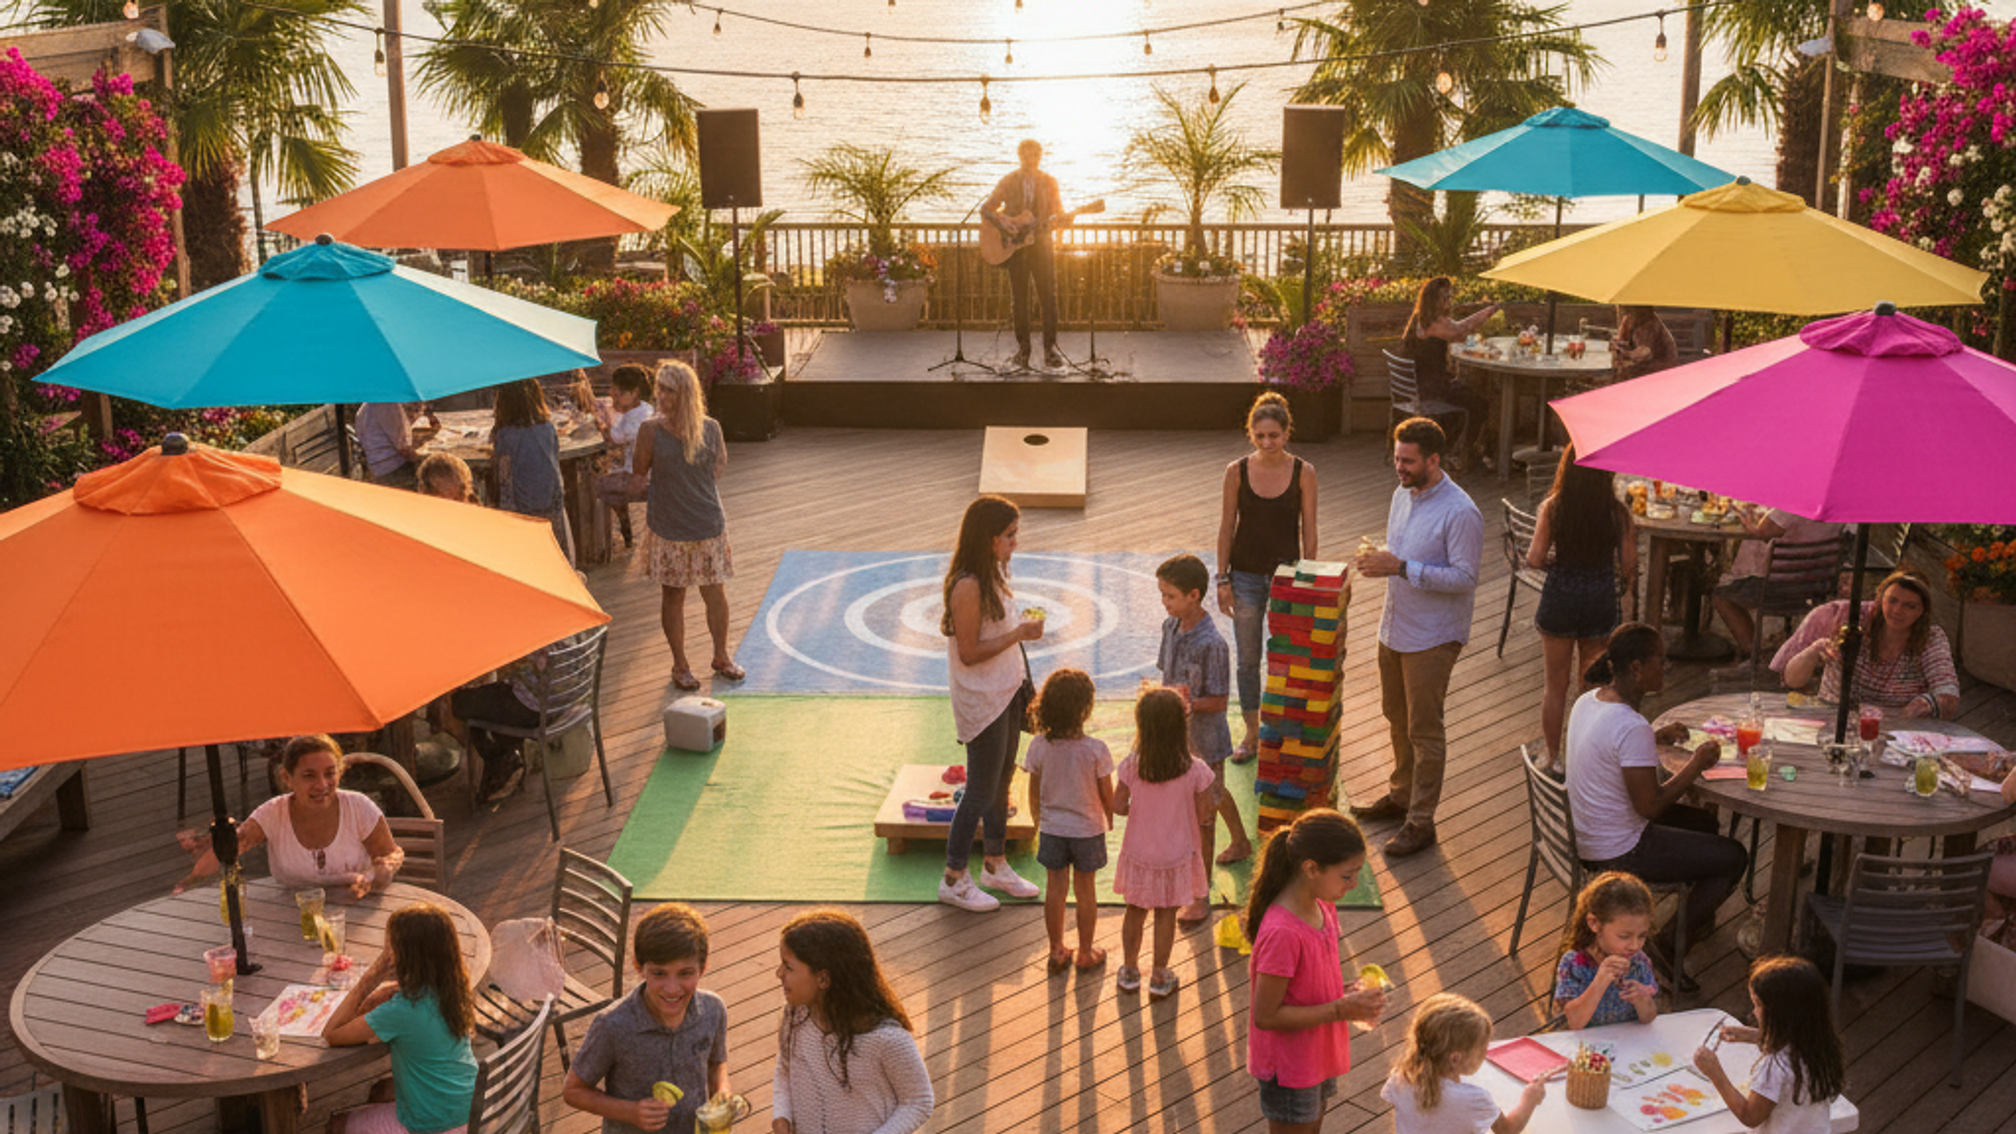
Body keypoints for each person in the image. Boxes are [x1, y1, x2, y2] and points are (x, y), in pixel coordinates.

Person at [1566, 622, 1747, 982]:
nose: (1666, 668)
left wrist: (1653, 735)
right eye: (1660, 661)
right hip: (1618, 850)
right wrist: (1696, 764)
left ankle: (1697, 915)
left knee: (1705, 825)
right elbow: (1650, 807)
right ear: (1636, 668)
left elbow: (1616, 742)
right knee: (1734, 857)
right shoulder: (1631, 727)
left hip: (1587, 831)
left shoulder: (1590, 700)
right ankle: (1668, 945)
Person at [1351, 417, 1484, 858]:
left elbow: (1465, 578)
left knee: (1425, 731)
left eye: (1408, 461)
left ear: (1434, 460)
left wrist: (1401, 568)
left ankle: (1421, 821)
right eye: (1397, 459)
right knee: (1395, 715)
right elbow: (1399, 554)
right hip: (1394, 627)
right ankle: (1401, 795)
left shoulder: (1461, 512)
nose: (1400, 468)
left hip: (1432, 636)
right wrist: (1381, 563)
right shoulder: (1400, 494)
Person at [1243, 809, 1386, 1134]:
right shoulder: (1283, 932)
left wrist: (1350, 994)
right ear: (1311, 868)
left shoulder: (1323, 906)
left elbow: (1312, 979)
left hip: (1315, 1051)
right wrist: (1339, 1009)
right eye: (1348, 875)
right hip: (1290, 1064)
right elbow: (1265, 1016)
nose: (1355, 884)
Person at [937, 495, 1045, 913]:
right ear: (988, 539)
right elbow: (968, 651)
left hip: (1007, 690)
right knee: (980, 790)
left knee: (1002, 782)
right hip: (982, 698)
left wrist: (1019, 634)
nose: (1015, 543)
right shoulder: (968, 584)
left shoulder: (995, 573)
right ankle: (952, 877)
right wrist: (1017, 633)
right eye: (1009, 535)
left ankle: (995, 864)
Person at [1217, 391, 1320, 764]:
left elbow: (1310, 531)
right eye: (1260, 436)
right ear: (1251, 435)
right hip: (1243, 577)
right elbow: (1226, 527)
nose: (1267, 442)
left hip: (1287, 578)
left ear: (1286, 433)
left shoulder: (1304, 472)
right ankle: (1251, 733)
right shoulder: (1236, 471)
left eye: (1274, 435)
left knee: (1285, 660)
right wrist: (1222, 579)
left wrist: (1308, 580)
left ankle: (1280, 731)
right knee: (1247, 660)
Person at [565, 903, 728, 1134]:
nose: (672, 989)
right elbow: (573, 1091)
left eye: (685, 973)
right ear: (639, 967)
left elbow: (716, 1062)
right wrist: (630, 1112)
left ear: (703, 967)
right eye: (659, 973)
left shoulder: (714, 1010)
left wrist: (721, 1093)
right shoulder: (612, 1025)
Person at [175, 734, 402, 898]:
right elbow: (230, 849)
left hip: (356, 908)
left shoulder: (359, 807)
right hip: (290, 915)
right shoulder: (273, 814)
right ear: (287, 778)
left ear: (340, 772)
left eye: (330, 773)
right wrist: (190, 882)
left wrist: (380, 872)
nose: (322, 785)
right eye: (309, 776)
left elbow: (391, 854)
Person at [632, 361, 741, 693]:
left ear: (686, 393)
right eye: (659, 388)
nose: (661, 395)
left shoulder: (711, 428)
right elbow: (639, 472)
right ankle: (680, 665)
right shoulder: (650, 430)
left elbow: (718, 466)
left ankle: (721, 657)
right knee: (673, 596)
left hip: (707, 522)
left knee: (715, 593)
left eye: (669, 390)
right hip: (668, 526)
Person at [772, 910, 933, 1134]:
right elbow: (785, 1068)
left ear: (823, 979)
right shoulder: (795, 1016)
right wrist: (781, 1116)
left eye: (788, 967)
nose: (779, 973)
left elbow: (918, 1101)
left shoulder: (887, 1039)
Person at [323, 903, 479, 1134]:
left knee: (337, 1124)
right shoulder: (453, 986)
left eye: (389, 948)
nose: (386, 954)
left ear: (406, 955)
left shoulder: (403, 1010)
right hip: (470, 1107)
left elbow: (332, 1034)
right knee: (379, 1091)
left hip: (434, 1126)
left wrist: (371, 977)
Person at [1526, 444, 1636, 770]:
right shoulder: (1617, 513)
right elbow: (1629, 564)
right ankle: (1585, 757)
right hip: (1599, 598)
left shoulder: (1553, 507)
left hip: (1561, 596)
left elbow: (1533, 557)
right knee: (1592, 688)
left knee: (1554, 685)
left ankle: (1552, 756)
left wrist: (1556, 563)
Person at [1156, 552, 1253, 917]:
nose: (1164, 602)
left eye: (1170, 596)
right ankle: (1241, 841)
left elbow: (1218, 700)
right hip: (1176, 735)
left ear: (1194, 595)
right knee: (1211, 793)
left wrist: (1184, 702)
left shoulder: (1213, 644)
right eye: (1162, 594)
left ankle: (1200, 894)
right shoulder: (1170, 627)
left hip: (1206, 739)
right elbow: (1165, 673)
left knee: (1204, 815)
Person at [1113, 687, 1218, 1000]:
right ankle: (1159, 975)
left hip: (1139, 852)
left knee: (1134, 909)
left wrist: (1139, 812)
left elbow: (1118, 805)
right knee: (1165, 913)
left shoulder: (1132, 765)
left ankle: (1130, 971)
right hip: (1175, 854)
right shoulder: (1194, 769)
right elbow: (1204, 814)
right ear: (1180, 725)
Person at [1022, 667, 1115, 974]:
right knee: (1086, 890)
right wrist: (1110, 817)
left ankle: (1056, 950)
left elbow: (1033, 792)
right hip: (1087, 830)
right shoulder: (1096, 750)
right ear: (1085, 709)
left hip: (1053, 829)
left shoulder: (1038, 746)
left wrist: (1039, 821)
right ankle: (1086, 952)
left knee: (1055, 889)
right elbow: (1106, 794)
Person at [1772, 569, 1959, 719]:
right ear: (1879, 601)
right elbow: (1792, 680)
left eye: (1910, 606)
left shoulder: (1930, 637)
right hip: (1834, 720)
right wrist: (1816, 650)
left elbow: (1948, 695)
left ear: (1922, 612)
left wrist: (1923, 704)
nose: (1897, 610)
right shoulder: (1851, 622)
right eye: (1892, 601)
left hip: (1896, 728)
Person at [1693, 957, 1847, 1134]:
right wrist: (1757, 1036)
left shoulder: (1776, 1066)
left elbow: (1750, 1115)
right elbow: (1793, 1043)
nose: (1753, 1012)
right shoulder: (1819, 1045)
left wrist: (1715, 1073)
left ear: (1780, 1014)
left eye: (1758, 1004)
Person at [1382, 993, 1546, 1134]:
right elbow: (1508, 1130)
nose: (1486, 1051)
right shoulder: (1473, 1099)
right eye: (1482, 1048)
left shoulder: (1401, 1076)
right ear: (1455, 1059)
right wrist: (1529, 1099)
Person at [980, 139, 1075, 371]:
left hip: (1042, 246)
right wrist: (1005, 227)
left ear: (1040, 156)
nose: (1030, 159)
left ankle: (1050, 349)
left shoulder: (1049, 182)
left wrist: (1065, 219)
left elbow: (1058, 211)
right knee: (1019, 300)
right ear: (1019, 155)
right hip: (1015, 248)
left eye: (1034, 155)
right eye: (1026, 155)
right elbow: (986, 209)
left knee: (1048, 298)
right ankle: (1023, 350)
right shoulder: (1008, 181)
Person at [1710, 506, 1843, 660]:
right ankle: (1767, 655)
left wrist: (1743, 515)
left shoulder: (1793, 505)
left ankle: (1754, 656)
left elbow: (1763, 531)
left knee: (1722, 597)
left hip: (1777, 587)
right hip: (1817, 588)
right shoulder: (1840, 509)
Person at [1400, 276, 1501, 471]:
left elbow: (1457, 329)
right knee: (1480, 404)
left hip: (1423, 384)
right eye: (1444, 298)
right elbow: (1460, 331)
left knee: (1471, 395)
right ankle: (1465, 454)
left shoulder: (1421, 319)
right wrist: (1489, 311)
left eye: (1449, 297)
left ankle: (1463, 451)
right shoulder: (1432, 324)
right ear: (1432, 299)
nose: (1448, 301)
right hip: (1432, 388)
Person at [1553, 872, 1660, 1029]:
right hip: (1584, 1047)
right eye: (1624, 936)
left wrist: (1642, 1001)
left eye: (1642, 936)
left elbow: (1649, 1017)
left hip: (1627, 1043)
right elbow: (1574, 1023)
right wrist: (1600, 981)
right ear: (1594, 923)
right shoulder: (1574, 963)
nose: (1635, 945)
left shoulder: (1639, 962)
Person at [491, 378, 575, 566]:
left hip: (523, 505)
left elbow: (505, 478)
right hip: (551, 500)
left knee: (526, 555)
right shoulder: (547, 428)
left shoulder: (506, 435)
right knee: (553, 551)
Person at [593, 364, 655, 551]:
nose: (613, 395)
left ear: (634, 393)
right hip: (646, 473)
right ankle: (625, 527)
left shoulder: (635, 420)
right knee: (608, 475)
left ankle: (600, 544)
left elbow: (613, 439)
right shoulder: (645, 409)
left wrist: (599, 422)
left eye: (618, 393)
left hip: (641, 479)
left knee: (593, 486)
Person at [356, 402, 427, 488]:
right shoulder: (387, 404)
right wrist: (424, 459)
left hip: (375, 468)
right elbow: (403, 449)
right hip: (394, 469)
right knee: (433, 472)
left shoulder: (365, 408)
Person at [1612, 305, 1678, 383]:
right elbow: (1621, 341)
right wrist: (1617, 345)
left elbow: (1644, 353)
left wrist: (1625, 353)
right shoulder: (1629, 320)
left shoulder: (1650, 324)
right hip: (1642, 372)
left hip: (1659, 375)